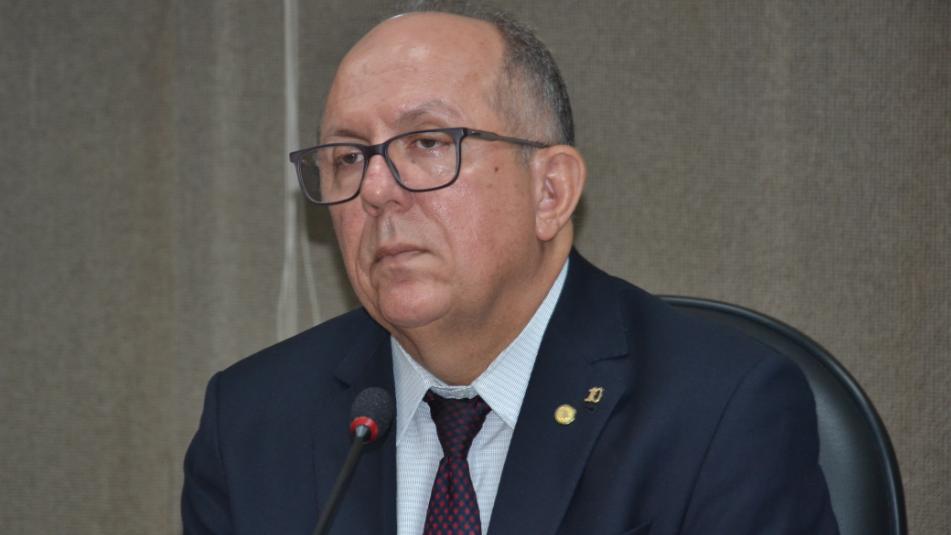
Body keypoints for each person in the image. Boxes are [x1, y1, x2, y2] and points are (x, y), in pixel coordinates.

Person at [182, 4, 839, 534]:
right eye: (349, 158)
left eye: (428, 142)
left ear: (550, 191)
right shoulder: (251, 424)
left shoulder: (719, 410)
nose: (376, 191)